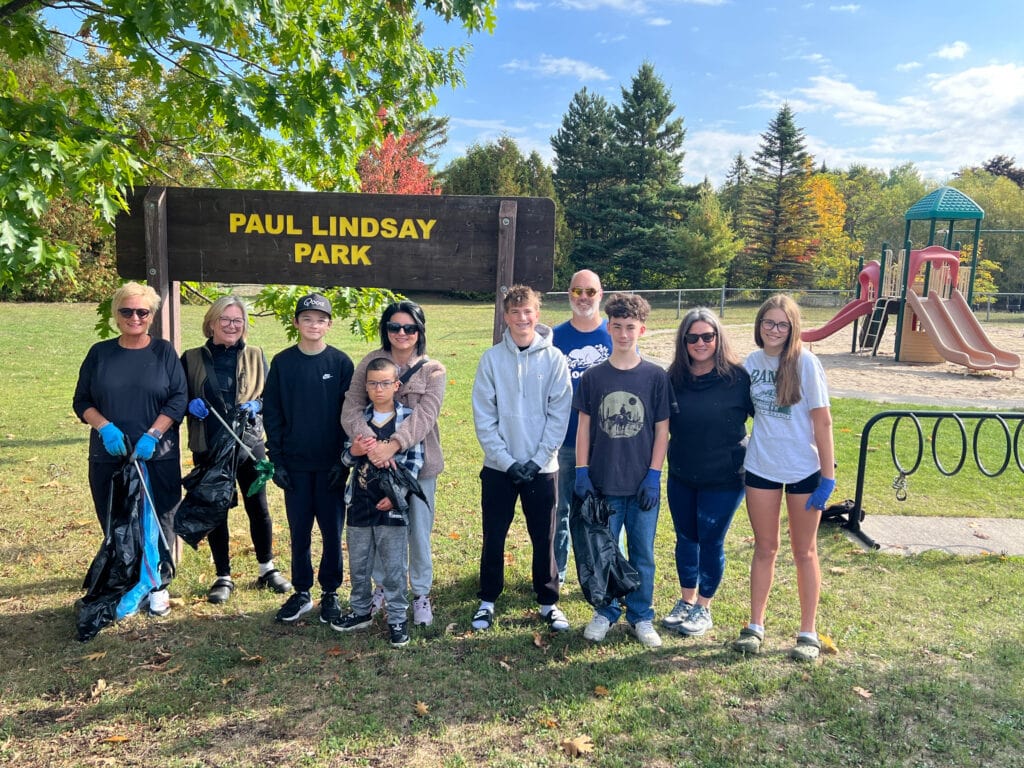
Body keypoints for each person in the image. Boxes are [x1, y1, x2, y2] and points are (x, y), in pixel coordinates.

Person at [73, 281, 187, 617]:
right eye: (127, 311)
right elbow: (82, 401)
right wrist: (104, 427)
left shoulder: (163, 352)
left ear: (151, 316)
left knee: (158, 519)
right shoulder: (100, 353)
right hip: (110, 456)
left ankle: (157, 586)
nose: (135, 317)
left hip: (156, 454)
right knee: (117, 521)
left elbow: (178, 398)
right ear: (116, 314)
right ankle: (126, 581)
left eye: (142, 311)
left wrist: (154, 433)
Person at [732, 294, 836, 662]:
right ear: (759, 325)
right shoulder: (751, 363)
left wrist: (828, 475)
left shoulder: (806, 364)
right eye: (768, 323)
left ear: (793, 329)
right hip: (761, 467)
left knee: (804, 551)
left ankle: (807, 632)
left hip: (803, 471)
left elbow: (822, 422)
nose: (774, 330)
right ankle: (755, 625)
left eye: (782, 324)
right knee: (765, 548)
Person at [470, 285, 572, 633]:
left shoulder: (555, 360)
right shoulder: (492, 359)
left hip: (542, 468)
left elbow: (559, 415)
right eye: (514, 312)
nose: (522, 317)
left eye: (527, 311)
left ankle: (548, 602)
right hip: (500, 468)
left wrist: (538, 458)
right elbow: (485, 416)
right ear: (506, 316)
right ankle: (487, 600)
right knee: (494, 534)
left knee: (544, 536)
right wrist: (507, 460)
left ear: (537, 314)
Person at [180, 296, 292, 604]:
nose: (232, 326)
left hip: (249, 444)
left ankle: (267, 568)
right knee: (217, 508)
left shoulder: (256, 355)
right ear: (212, 323)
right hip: (209, 445)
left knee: (258, 506)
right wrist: (190, 405)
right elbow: (178, 399)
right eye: (226, 320)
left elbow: (272, 398)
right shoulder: (191, 358)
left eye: (238, 321)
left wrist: (258, 404)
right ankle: (223, 575)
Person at [341, 300, 445, 627]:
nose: (402, 333)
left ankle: (421, 594)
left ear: (419, 331)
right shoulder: (371, 362)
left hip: (418, 465)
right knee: (379, 528)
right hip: (372, 468)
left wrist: (394, 444)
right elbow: (351, 408)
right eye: (394, 327)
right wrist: (371, 446)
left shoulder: (433, 370)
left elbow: (426, 416)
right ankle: (382, 588)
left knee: (418, 533)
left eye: (409, 327)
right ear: (386, 330)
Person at [575, 293, 671, 648]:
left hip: (641, 484)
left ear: (641, 330)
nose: (624, 334)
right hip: (604, 483)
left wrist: (654, 475)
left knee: (642, 552)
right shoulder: (594, 378)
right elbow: (584, 427)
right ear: (608, 328)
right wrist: (583, 471)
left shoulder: (655, 377)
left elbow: (662, 429)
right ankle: (606, 610)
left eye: (630, 327)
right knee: (606, 551)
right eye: (617, 327)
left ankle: (641, 615)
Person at [262, 293, 354, 625]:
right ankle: (301, 591)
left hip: (330, 465)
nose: (314, 325)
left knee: (332, 530)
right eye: (307, 319)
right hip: (296, 466)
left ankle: (330, 592)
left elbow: (351, 414)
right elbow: (271, 413)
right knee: (299, 531)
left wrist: (343, 461)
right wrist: (279, 461)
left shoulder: (341, 363)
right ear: (296, 322)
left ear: (329, 324)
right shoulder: (283, 363)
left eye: (320, 319)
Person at [663, 308, 753, 637]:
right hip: (683, 473)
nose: (700, 343)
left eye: (707, 336)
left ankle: (704, 606)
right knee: (686, 538)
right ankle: (686, 601)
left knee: (710, 539)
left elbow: (769, 422)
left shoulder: (738, 379)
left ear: (718, 338)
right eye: (693, 337)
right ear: (683, 341)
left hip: (725, 477)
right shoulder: (672, 379)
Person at [331, 358, 425, 648]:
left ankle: (397, 618)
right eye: (373, 383)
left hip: (391, 506)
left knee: (394, 566)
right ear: (366, 387)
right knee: (359, 563)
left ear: (396, 386)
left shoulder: (408, 419)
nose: (379, 388)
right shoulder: (359, 421)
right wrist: (354, 451)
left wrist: (396, 496)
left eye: (385, 383)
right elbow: (345, 459)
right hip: (358, 503)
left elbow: (415, 464)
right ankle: (361, 612)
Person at [552, 270, 612, 584]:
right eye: (578, 291)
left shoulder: (614, 335)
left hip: (605, 445)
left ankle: (604, 571)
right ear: (569, 295)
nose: (584, 298)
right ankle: (556, 572)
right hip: (563, 441)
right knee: (559, 511)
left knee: (603, 513)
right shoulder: (555, 337)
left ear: (600, 295)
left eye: (590, 291)